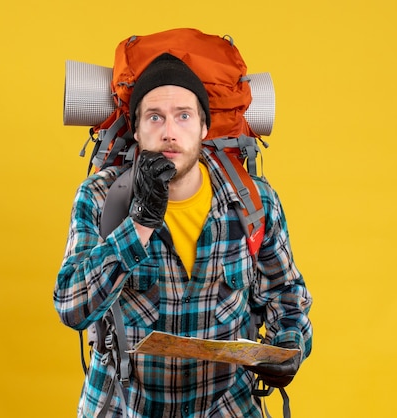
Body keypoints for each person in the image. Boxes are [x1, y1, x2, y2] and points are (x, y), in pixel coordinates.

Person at [54, 53, 313, 418]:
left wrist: (289, 344)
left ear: (204, 128)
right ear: (138, 128)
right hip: (125, 405)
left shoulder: (254, 201)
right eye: (155, 117)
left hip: (227, 405)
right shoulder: (100, 196)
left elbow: (288, 297)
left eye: (184, 116)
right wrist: (140, 223)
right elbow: (71, 306)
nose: (169, 132)